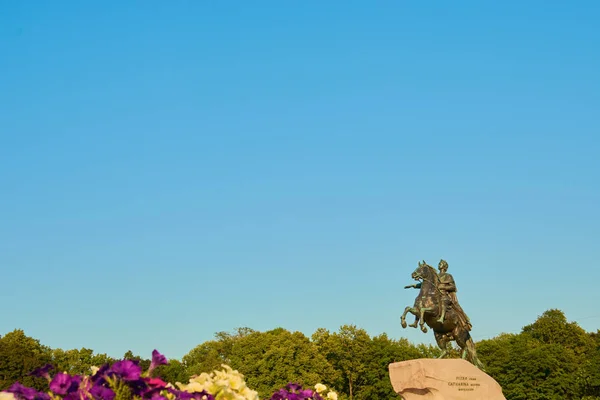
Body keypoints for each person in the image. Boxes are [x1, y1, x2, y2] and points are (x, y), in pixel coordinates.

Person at [437, 259, 472, 330]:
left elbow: (453, 287)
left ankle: (464, 320)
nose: (439, 265)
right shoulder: (435, 276)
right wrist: (414, 285)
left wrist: (443, 286)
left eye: (441, 263)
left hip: (445, 295)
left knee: (445, 301)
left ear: (444, 266)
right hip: (436, 295)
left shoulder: (448, 276)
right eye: (439, 263)